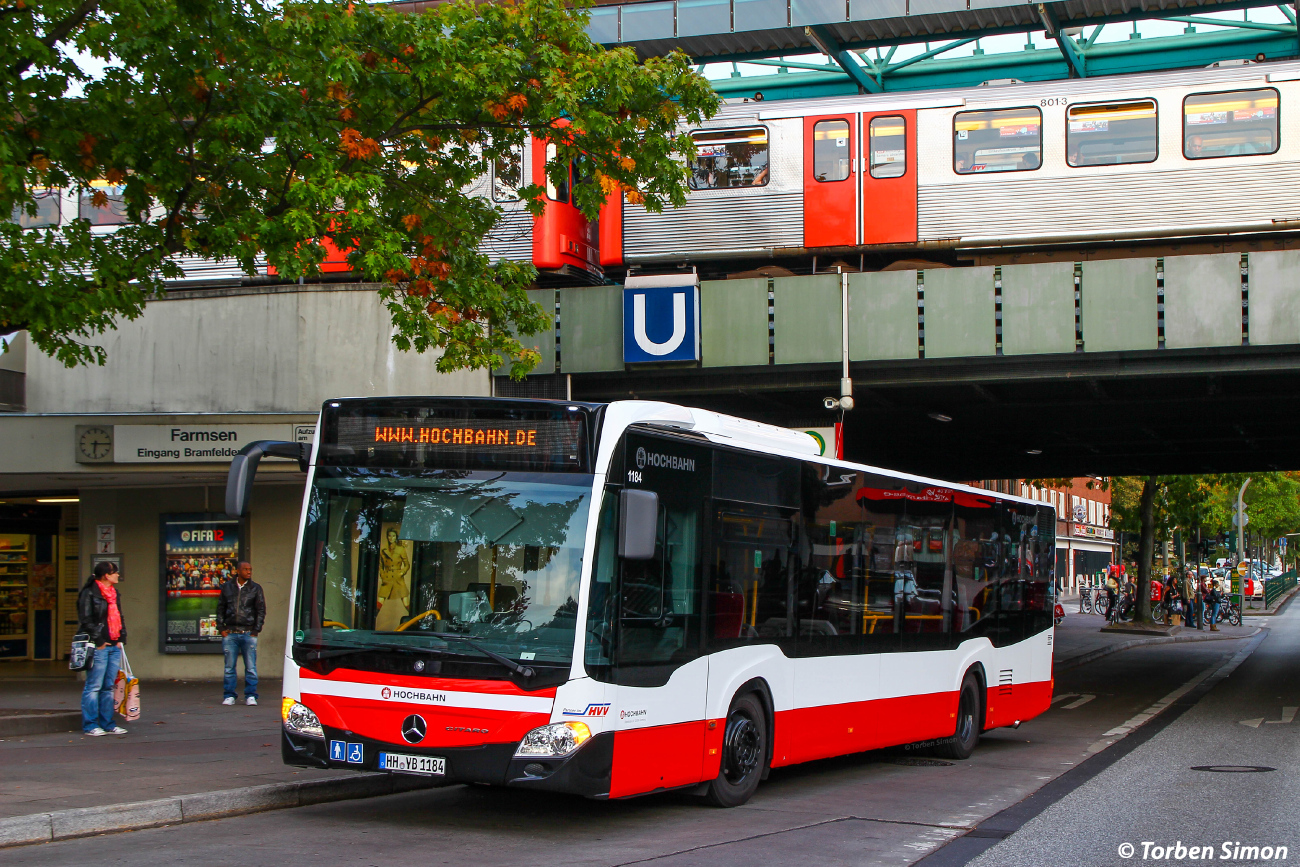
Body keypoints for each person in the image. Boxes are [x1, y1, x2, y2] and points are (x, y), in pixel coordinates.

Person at [77, 561, 128, 736]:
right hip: (99, 645)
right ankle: (90, 725)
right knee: (94, 686)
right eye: (115, 572)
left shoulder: (114, 593)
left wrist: (121, 637)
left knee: (108, 686)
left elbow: (119, 616)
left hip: (113, 644)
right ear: (106, 575)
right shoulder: (90, 593)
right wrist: (99, 640)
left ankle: (108, 723)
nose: (118, 575)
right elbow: (86, 619)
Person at [216, 561, 266, 706]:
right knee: (229, 667)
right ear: (238, 571)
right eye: (245, 569)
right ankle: (229, 695)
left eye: (250, 569)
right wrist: (221, 628)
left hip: (248, 632)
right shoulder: (227, 587)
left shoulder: (255, 588)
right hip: (230, 633)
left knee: (251, 667)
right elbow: (221, 608)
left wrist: (256, 630)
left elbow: (261, 610)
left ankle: (251, 695)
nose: (249, 572)